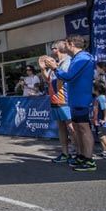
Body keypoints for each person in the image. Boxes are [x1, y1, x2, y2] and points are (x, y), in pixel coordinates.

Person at [43, 36, 96, 172]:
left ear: (71, 44)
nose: (64, 46)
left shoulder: (83, 57)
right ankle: (82, 155)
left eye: (66, 44)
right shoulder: (75, 58)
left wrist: (55, 68)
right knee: (78, 128)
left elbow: (68, 76)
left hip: (81, 98)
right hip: (74, 98)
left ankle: (89, 160)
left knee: (84, 128)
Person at [41, 41, 75, 165]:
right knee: (61, 127)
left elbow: (63, 76)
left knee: (71, 127)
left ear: (57, 49)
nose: (51, 51)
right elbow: (48, 80)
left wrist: (54, 67)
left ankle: (78, 153)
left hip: (65, 98)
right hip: (55, 99)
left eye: (52, 48)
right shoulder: (55, 63)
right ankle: (65, 153)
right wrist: (43, 69)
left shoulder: (67, 61)